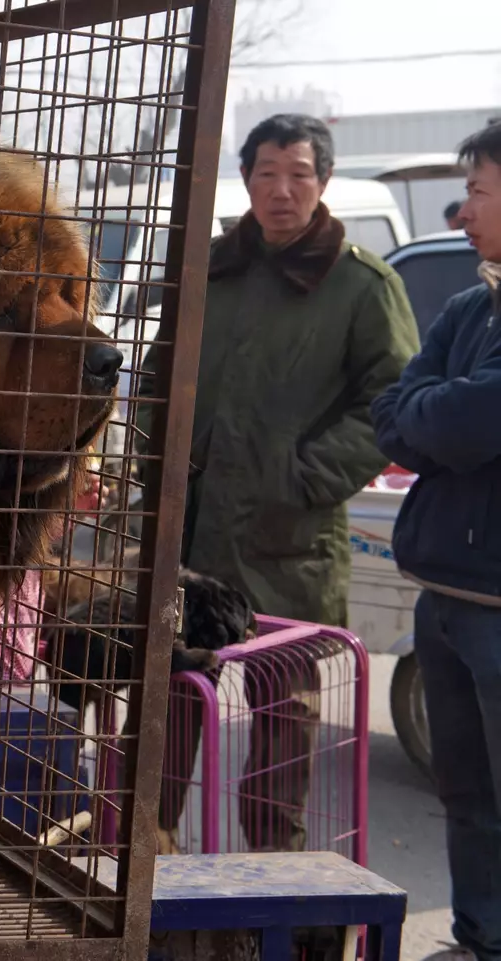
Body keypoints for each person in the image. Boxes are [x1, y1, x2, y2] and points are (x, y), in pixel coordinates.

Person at [136, 113, 420, 852]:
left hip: (286, 541)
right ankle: (142, 873)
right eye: (267, 173)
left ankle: (271, 892)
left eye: (298, 173)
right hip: (190, 532)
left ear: (322, 181)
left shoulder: (360, 285)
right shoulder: (209, 271)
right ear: (246, 180)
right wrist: (151, 472)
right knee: (165, 709)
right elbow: (155, 381)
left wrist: (305, 475)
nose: (282, 190)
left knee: (282, 726)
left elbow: (392, 401)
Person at [371, 120, 501, 961]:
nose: (463, 211)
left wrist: (452, 410)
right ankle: (480, 937)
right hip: (446, 596)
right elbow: (399, 416)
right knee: (466, 795)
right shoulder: (469, 303)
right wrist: (450, 409)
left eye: (481, 190)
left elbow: (473, 416)